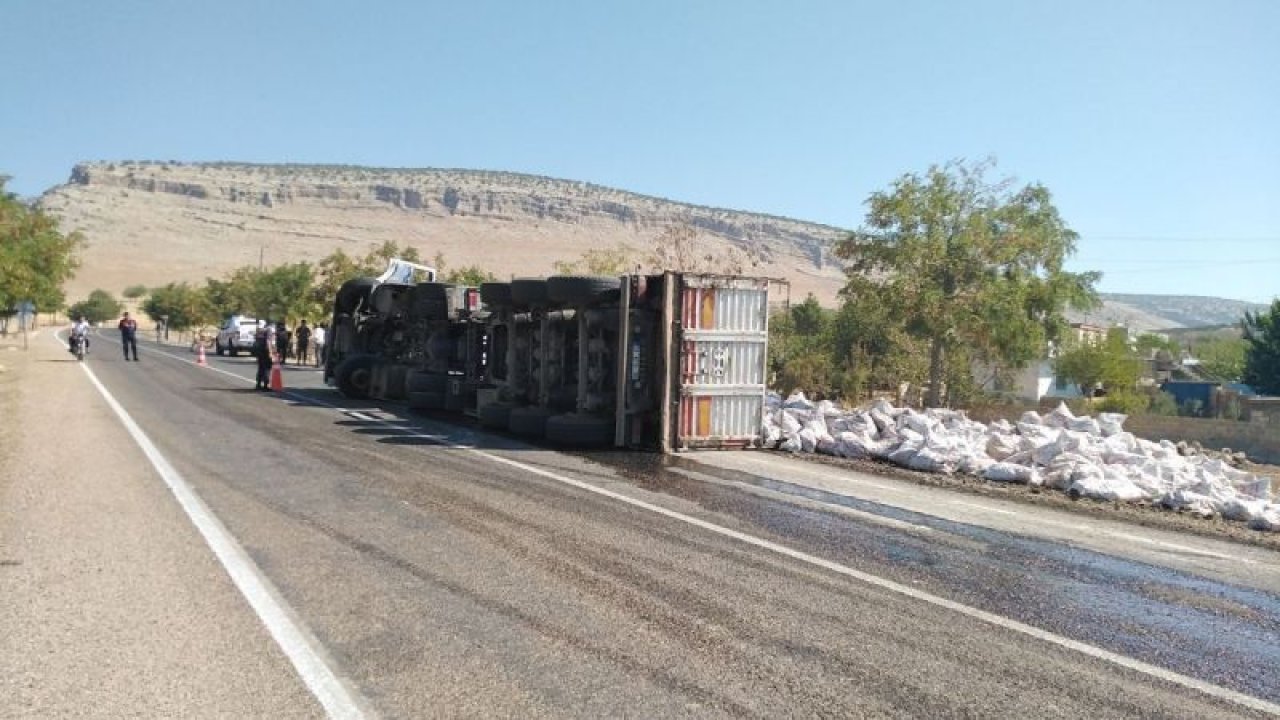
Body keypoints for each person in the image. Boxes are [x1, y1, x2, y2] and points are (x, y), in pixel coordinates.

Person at [252, 322, 273, 390]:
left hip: (259, 352)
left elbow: (255, 341)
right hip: (265, 352)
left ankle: (258, 384)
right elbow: (268, 341)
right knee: (267, 368)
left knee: (261, 368)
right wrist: (270, 352)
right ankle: (266, 385)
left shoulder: (259, 331)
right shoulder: (268, 330)